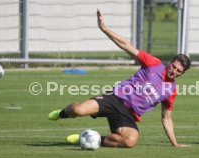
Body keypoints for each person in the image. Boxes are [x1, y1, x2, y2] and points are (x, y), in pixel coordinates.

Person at [48, 9, 191, 148]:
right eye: (174, 66)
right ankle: (61, 113)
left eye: (178, 71)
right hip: (115, 99)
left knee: (130, 141)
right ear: (170, 62)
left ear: (181, 74)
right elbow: (126, 45)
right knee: (77, 110)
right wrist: (104, 28)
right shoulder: (153, 63)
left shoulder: (171, 91)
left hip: (128, 114)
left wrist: (175, 143)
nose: (174, 71)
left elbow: (166, 118)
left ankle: (87, 138)